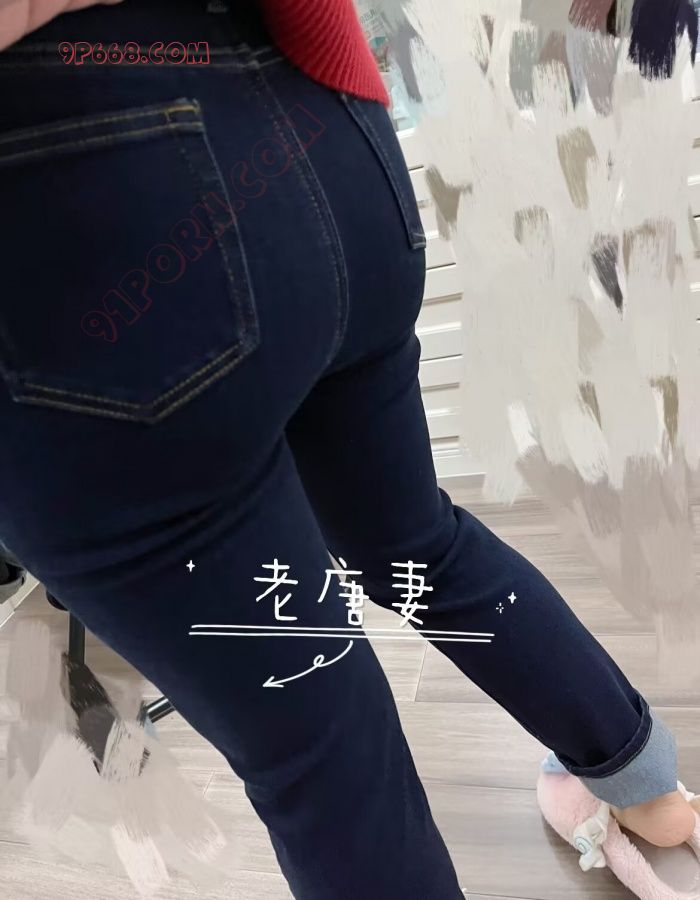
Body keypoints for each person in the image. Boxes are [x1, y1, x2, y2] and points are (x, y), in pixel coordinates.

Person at [0, 1, 697, 898]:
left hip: (82, 178)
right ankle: (648, 792)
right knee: (422, 545)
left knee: (316, 731)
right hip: (327, 134)